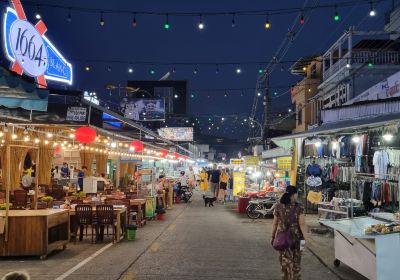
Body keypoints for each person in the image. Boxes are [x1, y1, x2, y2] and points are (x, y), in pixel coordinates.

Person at [271, 186, 308, 280]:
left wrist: (273, 237)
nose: (297, 195)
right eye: (296, 193)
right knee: (297, 262)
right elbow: (302, 224)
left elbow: (275, 224)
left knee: (285, 263)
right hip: (298, 239)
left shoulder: (278, 206)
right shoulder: (300, 207)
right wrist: (306, 239)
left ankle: (286, 277)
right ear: (294, 194)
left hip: (282, 239)